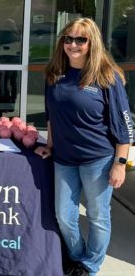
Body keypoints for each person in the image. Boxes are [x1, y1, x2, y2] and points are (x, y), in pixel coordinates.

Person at [35, 18, 133, 276]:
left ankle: (89, 266)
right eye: (68, 39)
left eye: (81, 39)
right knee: (64, 216)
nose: (73, 45)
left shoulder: (106, 77)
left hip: (98, 160)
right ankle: (77, 258)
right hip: (64, 159)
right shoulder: (54, 74)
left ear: (92, 43)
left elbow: (124, 124)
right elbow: (51, 116)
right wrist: (50, 145)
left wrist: (120, 163)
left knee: (98, 216)